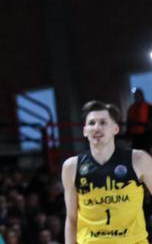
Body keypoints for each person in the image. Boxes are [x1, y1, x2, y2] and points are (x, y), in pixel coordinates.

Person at [62, 100, 152, 243]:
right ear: (85, 131)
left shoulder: (139, 159)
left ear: (115, 129)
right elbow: (72, 218)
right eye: (91, 123)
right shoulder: (71, 166)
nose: (96, 128)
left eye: (103, 123)